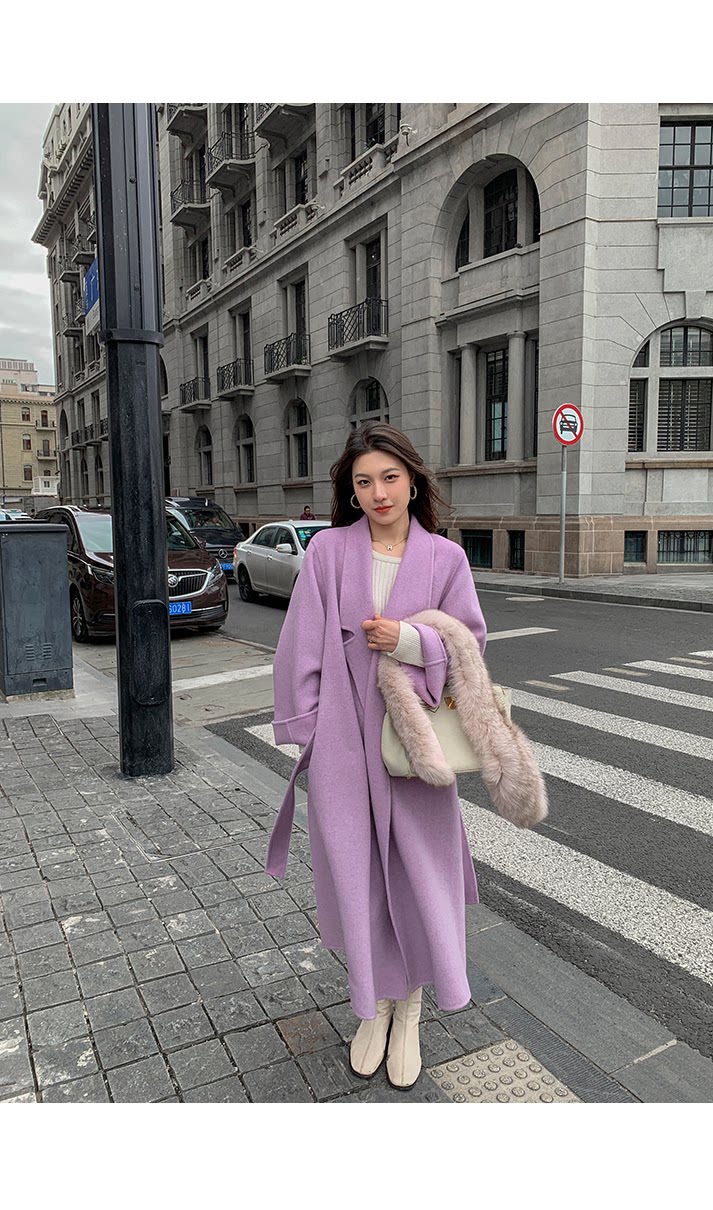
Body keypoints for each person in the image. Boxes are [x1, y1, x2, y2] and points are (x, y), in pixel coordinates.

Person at [266, 422, 488, 1091]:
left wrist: (411, 641)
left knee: (419, 879)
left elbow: (471, 646)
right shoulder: (329, 552)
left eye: (390, 477)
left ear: (413, 481)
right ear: (351, 491)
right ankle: (372, 1005)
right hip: (343, 745)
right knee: (357, 879)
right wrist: (309, 731)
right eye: (364, 482)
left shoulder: (446, 560)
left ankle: (409, 1008)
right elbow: (299, 645)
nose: (378, 492)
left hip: (415, 749)